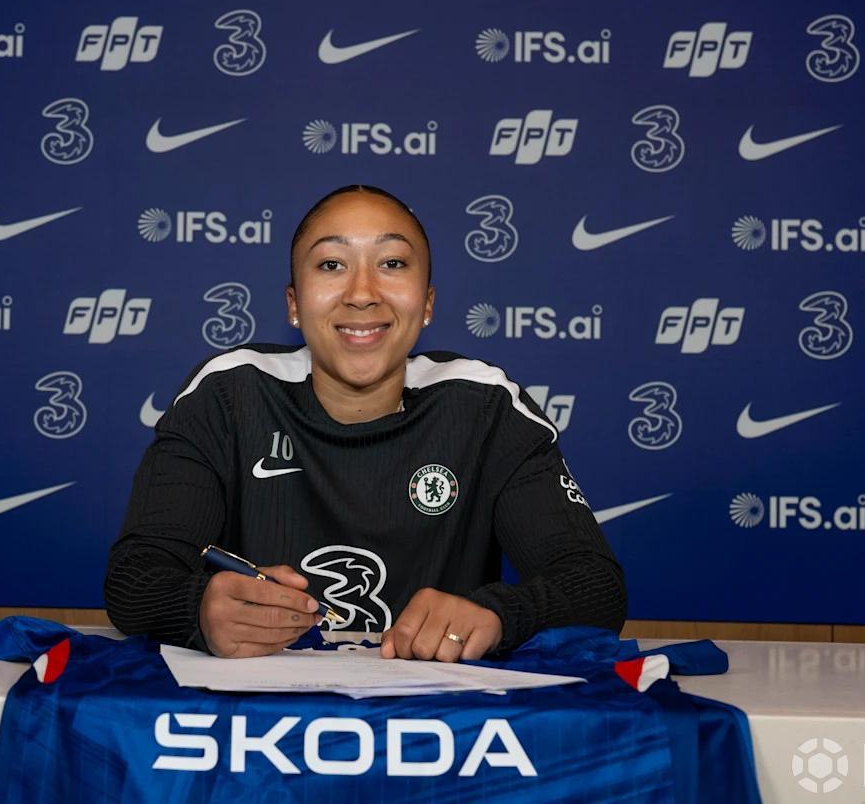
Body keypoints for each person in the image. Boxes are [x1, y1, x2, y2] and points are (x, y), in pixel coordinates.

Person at [105, 185, 626, 661]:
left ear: (427, 303)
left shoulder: (485, 405)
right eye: (331, 264)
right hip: (261, 712)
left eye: (392, 263)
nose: (362, 292)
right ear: (293, 304)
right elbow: (136, 576)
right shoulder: (226, 394)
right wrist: (198, 607)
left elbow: (595, 584)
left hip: (440, 715)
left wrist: (499, 614)